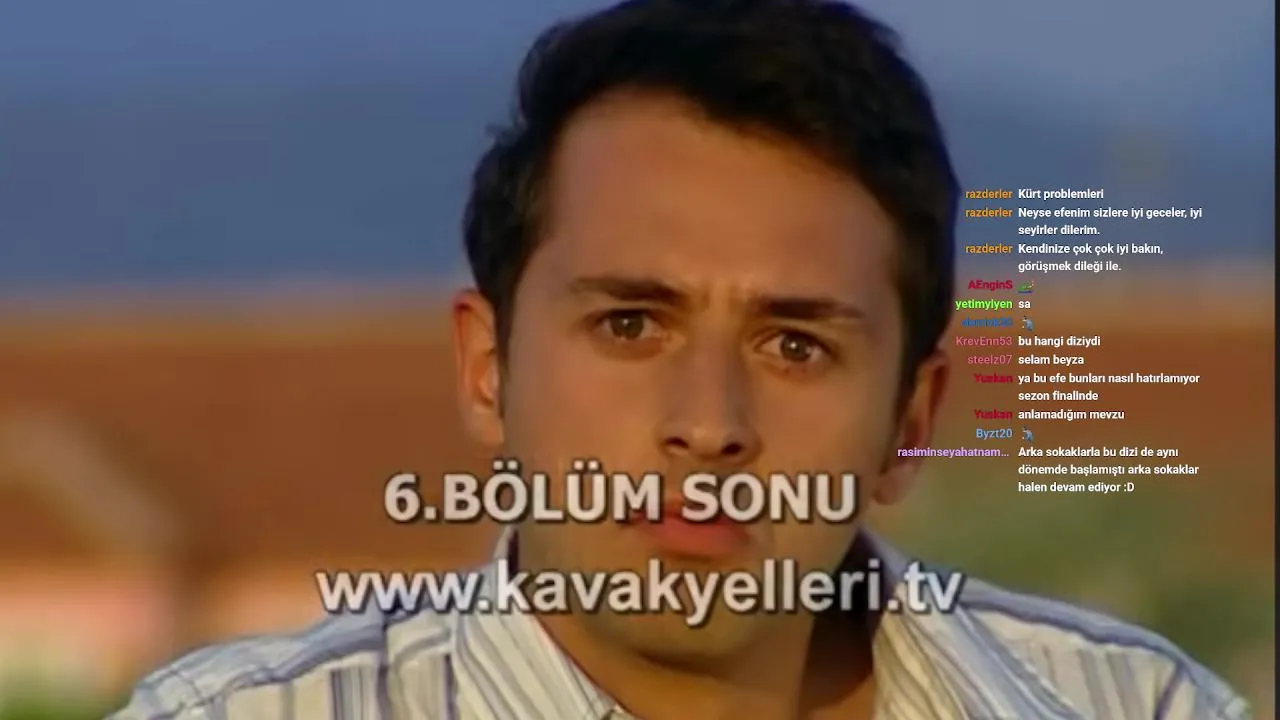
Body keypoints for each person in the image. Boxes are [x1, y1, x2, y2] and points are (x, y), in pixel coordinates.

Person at [111, 1, 1250, 718]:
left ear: (911, 420)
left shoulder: (1137, 704)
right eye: (629, 326)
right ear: (487, 367)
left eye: (795, 344)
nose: (708, 425)